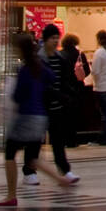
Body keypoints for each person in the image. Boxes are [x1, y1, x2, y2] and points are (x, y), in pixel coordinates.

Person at [0, 34, 78, 207]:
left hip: (25, 116)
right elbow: (51, 79)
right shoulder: (41, 67)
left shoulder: (24, 70)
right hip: (41, 116)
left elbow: (18, 96)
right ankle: (60, 178)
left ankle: (11, 195)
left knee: (10, 153)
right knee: (32, 158)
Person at [35, 23, 79, 183]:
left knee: (58, 140)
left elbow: (63, 80)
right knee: (35, 142)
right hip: (40, 106)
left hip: (56, 106)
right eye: (52, 38)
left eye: (57, 38)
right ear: (45, 39)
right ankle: (29, 172)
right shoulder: (39, 59)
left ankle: (65, 170)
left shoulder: (60, 58)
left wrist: (69, 93)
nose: (55, 41)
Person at [60, 33, 89, 149]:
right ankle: (72, 140)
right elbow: (87, 71)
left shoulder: (60, 54)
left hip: (64, 88)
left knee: (64, 115)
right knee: (75, 115)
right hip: (78, 87)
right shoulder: (80, 54)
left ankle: (63, 139)